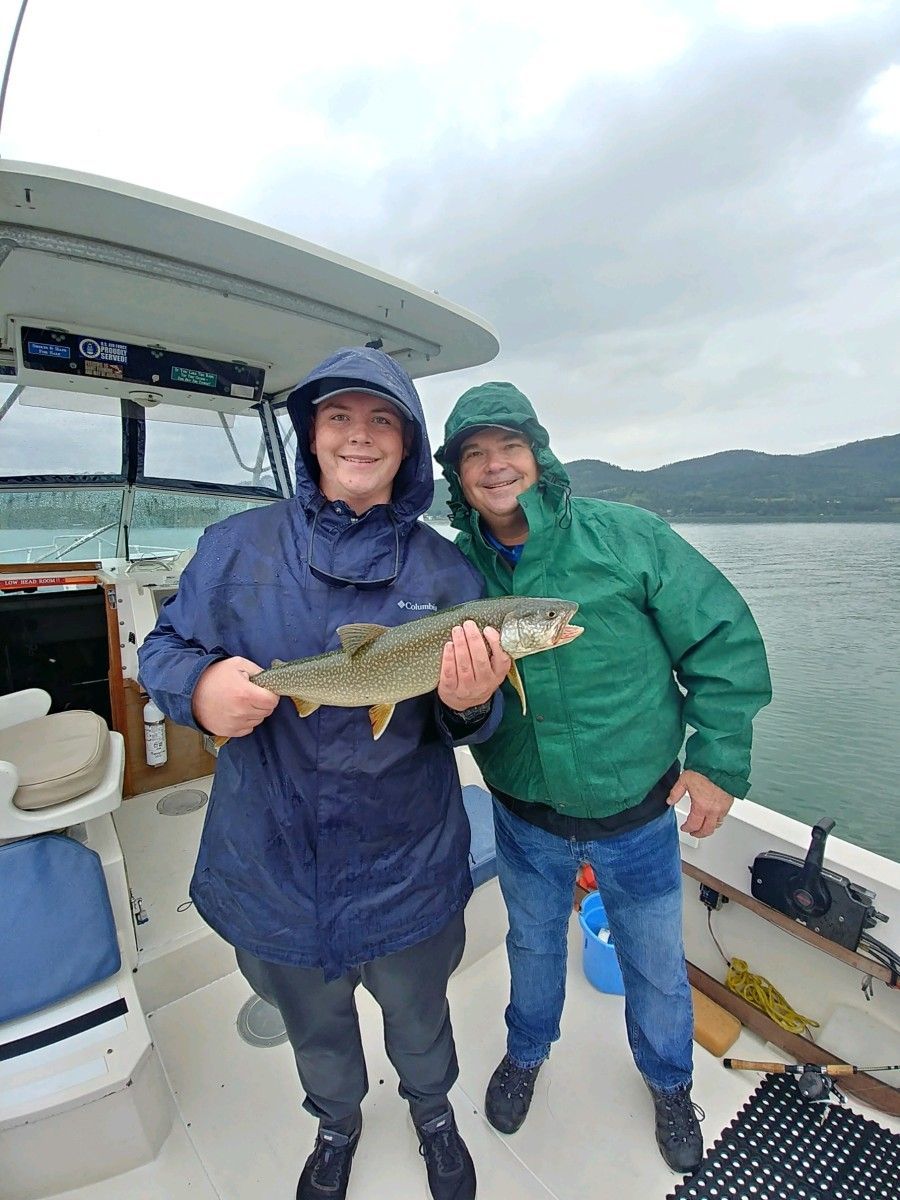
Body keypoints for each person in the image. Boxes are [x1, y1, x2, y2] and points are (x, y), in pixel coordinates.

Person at [139, 347, 514, 1200]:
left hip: (407, 862)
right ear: (310, 434)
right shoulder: (236, 546)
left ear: (407, 444)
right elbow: (162, 648)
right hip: (271, 857)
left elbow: (466, 725)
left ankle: (433, 1112)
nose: (359, 436)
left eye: (382, 420)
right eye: (339, 416)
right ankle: (337, 1123)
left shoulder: (446, 571)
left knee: (421, 1015)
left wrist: (468, 705)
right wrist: (199, 688)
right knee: (315, 1026)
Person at [435, 382, 772, 1175]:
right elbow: (439, 701)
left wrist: (717, 763)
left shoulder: (628, 537)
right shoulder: (451, 571)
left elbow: (722, 640)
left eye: (509, 446)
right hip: (523, 817)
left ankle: (670, 1082)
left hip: (637, 815)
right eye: (474, 454)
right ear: (456, 474)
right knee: (531, 946)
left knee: (655, 963)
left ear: (539, 454)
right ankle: (526, 1052)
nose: (495, 465)